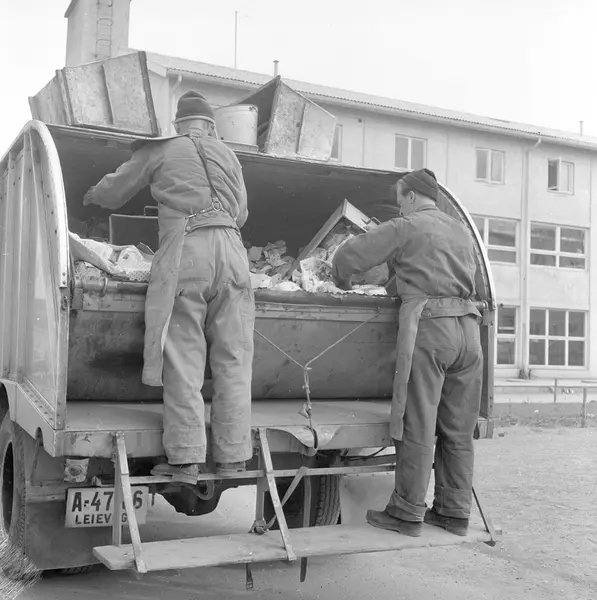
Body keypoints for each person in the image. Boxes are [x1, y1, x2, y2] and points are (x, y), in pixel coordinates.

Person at [83, 91, 255, 485]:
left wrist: (91, 196)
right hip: (234, 253)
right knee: (234, 359)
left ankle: (186, 459)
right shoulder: (229, 155)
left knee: (184, 357)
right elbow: (242, 213)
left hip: (188, 251)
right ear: (211, 126)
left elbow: (116, 189)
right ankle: (232, 457)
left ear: (177, 125)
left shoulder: (162, 148)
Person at [332, 168, 483, 538]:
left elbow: (352, 255)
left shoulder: (407, 226)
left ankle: (406, 512)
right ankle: (453, 512)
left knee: (418, 421)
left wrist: (340, 278)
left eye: (401, 199)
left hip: (432, 328)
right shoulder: (461, 230)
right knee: (458, 428)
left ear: (412, 196)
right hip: (469, 330)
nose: (399, 207)